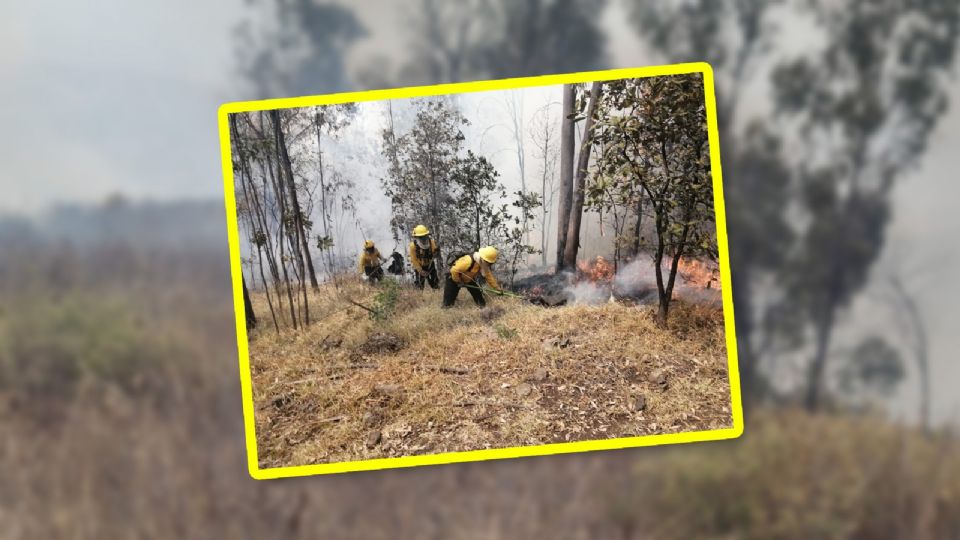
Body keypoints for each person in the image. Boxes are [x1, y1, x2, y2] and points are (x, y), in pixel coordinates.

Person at [409, 224, 441, 290]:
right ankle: (419, 296)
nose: (423, 238)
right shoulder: (413, 246)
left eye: (424, 236)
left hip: (430, 264)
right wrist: (420, 271)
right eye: (421, 237)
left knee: (434, 282)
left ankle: (436, 292)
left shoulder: (431, 242)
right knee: (420, 284)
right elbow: (414, 260)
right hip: (419, 265)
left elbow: (434, 252)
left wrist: (436, 253)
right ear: (417, 237)